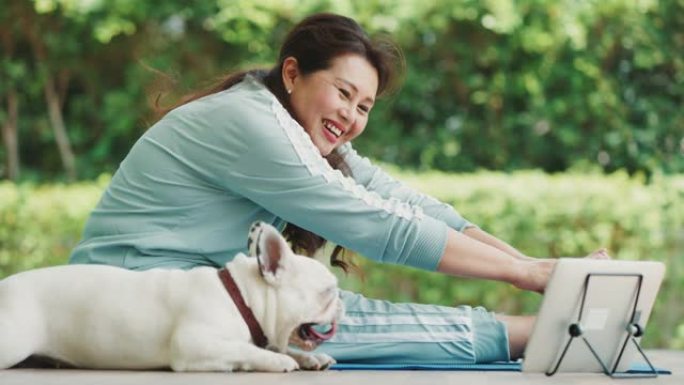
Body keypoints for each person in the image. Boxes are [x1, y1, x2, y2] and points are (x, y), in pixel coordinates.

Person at [69, 13, 608, 364]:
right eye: (343, 93)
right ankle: (549, 335)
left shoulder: (288, 125)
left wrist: (532, 267)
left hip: (192, 298)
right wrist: (528, 274)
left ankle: (554, 329)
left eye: (364, 107)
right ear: (292, 73)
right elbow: (382, 228)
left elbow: (405, 203)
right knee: (347, 323)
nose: (350, 116)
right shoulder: (250, 124)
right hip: (131, 301)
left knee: (339, 317)